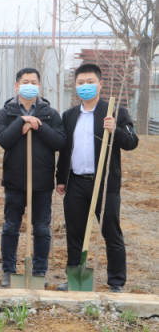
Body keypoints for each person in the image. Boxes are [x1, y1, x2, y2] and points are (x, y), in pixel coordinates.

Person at [56, 63, 138, 293]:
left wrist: (115, 130)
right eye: (81, 82)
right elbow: (65, 150)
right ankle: (75, 277)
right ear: (75, 86)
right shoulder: (69, 115)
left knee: (111, 232)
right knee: (75, 233)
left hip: (105, 184)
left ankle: (116, 282)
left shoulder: (115, 112)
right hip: (76, 182)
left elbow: (132, 142)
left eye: (90, 82)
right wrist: (61, 178)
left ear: (100, 84)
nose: (85, 86)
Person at [0, 68, 65, 288]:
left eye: (34, 82)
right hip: (15, 181)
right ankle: (9, 271)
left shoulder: (50, 114)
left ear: (39, 86)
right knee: (10, 227)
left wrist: (38, 125)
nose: (30, 85)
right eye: (25, 82)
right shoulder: (6, 113)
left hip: (42, 182)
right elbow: (3, 140)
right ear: (17, 85)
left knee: (42, 229)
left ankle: (39, 272)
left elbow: (60, 142)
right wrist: (21, 121)